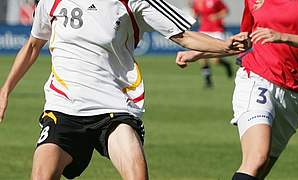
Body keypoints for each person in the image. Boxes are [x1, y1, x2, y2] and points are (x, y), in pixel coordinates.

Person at [0, 0, 248, 179]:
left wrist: (225, 45)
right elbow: (33, 45)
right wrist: (5, 90)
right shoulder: (51, 2)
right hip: (64, 108)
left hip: (114, 109)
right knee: (41, 176)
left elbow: (183, 36)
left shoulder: (132, 2)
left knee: (137, 175)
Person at [176, 0, 298, 179]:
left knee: (260, 170)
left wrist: (284, 36)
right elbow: (246, 40)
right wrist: (201, 53)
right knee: (257, 158)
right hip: (256, 78)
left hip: (295, 93)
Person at [192, 0, 232, 88]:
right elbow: (195, 14)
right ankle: (208, 81)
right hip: (204, 30)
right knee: (201, 56)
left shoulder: (216, 1)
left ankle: (227, 65)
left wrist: (216, 16)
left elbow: (226, 11)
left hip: (216, 30)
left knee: (215, 60)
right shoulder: (197, 2)